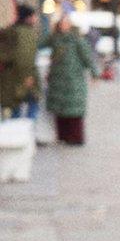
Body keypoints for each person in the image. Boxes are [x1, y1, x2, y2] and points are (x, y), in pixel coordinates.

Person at [43, 9, 95, 145]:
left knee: (74, 111)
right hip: (57, 80)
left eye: (66, 23)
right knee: (59, 111)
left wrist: (95, 73)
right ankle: (63, 136)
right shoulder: (54, 38)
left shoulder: (77, 39)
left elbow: (87, 57)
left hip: (73, 81)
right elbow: (40, 44)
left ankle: (76, 138)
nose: (63, 26)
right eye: (61, 23)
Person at [0, 2, 40, 118]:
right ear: (28, 18)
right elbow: (24, 58)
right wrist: (28, 77)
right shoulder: (26, 34)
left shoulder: (9, 30)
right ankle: (26, 133)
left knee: (13, 111)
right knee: (31, 106)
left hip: (8, 79)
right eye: (34, 16)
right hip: (22, 79)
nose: (36, 19)